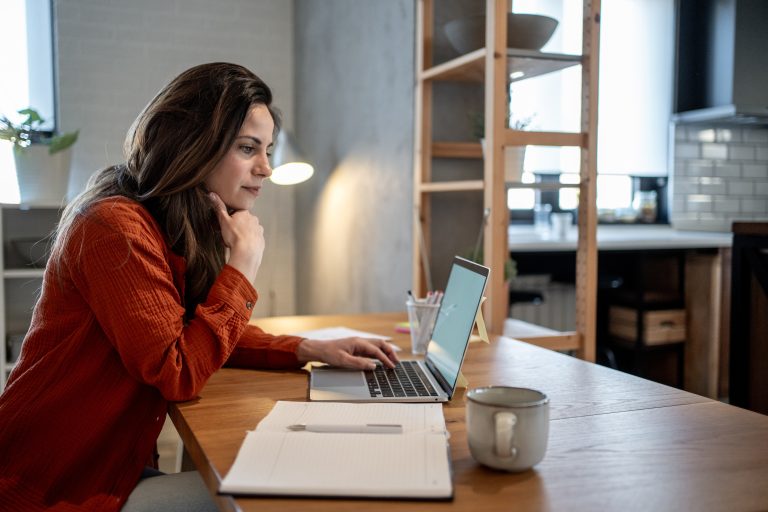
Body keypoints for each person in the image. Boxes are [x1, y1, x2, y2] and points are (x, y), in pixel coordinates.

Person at [0, 62, 398, 512]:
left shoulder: (175, 220)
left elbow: (191, 328)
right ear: (193, 144)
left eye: (267, 150)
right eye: (249, 148)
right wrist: (242, 267)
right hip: (49, 484)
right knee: (278, 495)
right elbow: (179, 370)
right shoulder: (114, 228)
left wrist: (308, 349)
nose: (266, 168)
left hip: (109, 464)